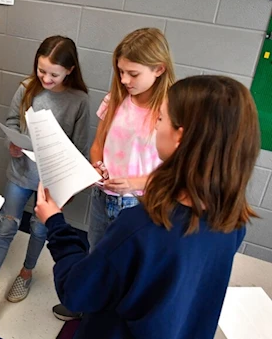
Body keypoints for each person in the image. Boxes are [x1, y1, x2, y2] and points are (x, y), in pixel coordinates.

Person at [35, 75, 259, 339]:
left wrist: (55, 223)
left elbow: (76, 292)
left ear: (180, 137)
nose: (156, 128)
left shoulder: (141, 227)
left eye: (161, 119)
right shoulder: (233, 218)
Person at [52, 27, 176, 321]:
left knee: (127, 268)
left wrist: (133, 183)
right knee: (98, 253)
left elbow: (176, 174)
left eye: (133, 73)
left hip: (140, 205)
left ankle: (109, 317)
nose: (124, 80)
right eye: (121, 71)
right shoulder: (117, 98)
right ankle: (86, 305)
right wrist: (97, 165)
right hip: (103, 194)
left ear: (158, 69)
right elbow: (99, 144)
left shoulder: (170, 111)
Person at [0, 35, 90, 324]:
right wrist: (12, 144)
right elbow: (11, 122)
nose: (45, 78)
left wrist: (69, 187)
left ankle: (26, 273)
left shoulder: (79, 101)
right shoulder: (26, 88)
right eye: (41, 70)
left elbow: (80, 147)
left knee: (39, 230)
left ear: (70, 71)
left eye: (54, 74)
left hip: (51, 181)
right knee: (6, 227)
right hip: (20, 173)